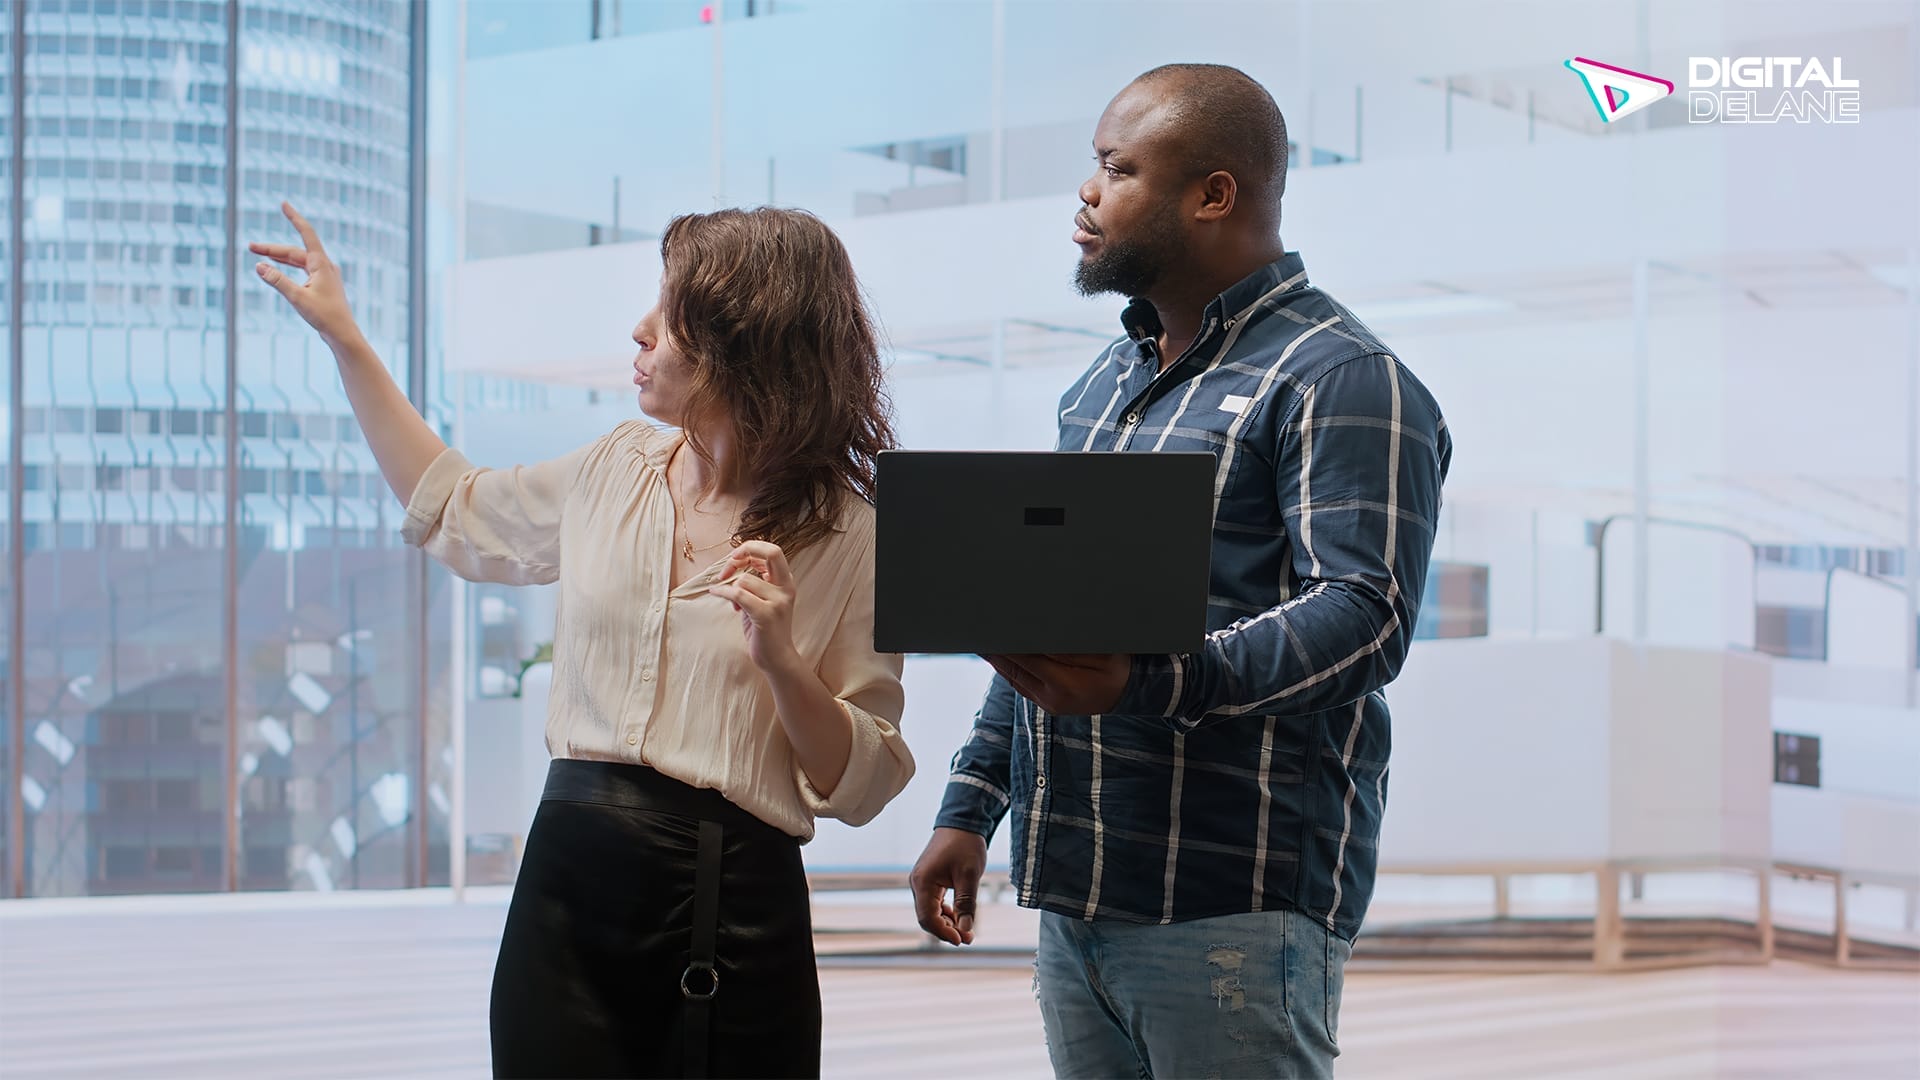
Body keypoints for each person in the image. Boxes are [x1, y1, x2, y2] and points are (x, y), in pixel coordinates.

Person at [252, 201, 914, 1078]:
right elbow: (455, 506)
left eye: (669, 311)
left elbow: (861, 779)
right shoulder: (612, 469)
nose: (640, 331)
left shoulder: (853, 536)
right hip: (566, 892)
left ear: (743, 338)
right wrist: (346, 341)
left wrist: (783, 662)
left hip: (735, 907)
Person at [908, 64, 1451, 1079]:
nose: (1087, 192)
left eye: (1117, 169)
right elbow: (1047, 613)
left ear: (1213, 194)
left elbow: (1365, 614)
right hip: (1080, 894)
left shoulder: (1341, 379)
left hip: (1233, 903)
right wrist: (971, 806)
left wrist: (1156, 678)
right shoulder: (1103, 388)